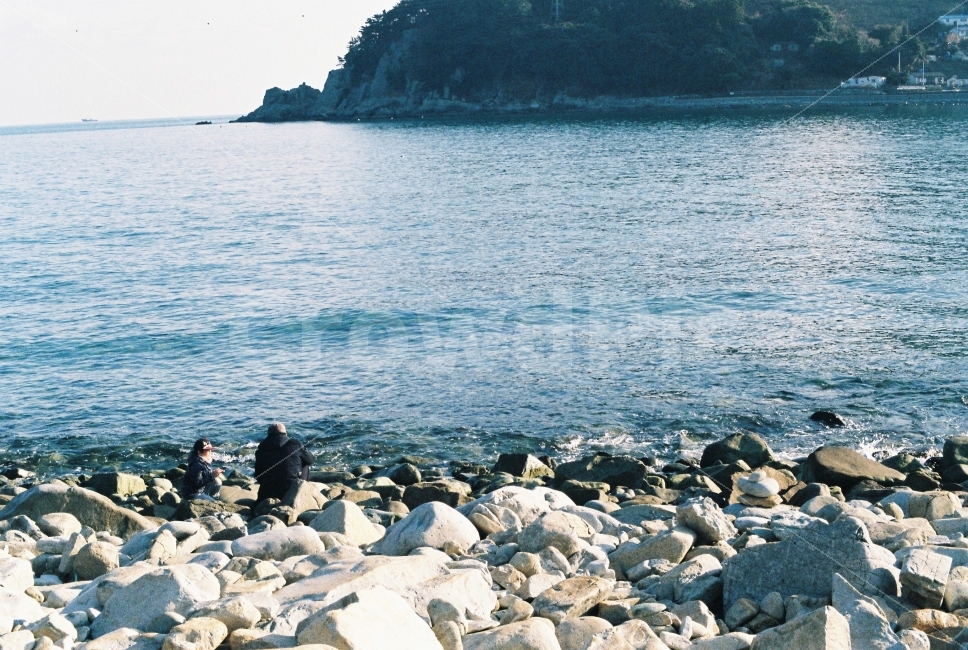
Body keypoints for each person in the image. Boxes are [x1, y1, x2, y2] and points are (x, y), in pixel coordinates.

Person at [254, 422, 314, 503]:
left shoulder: (260, 450)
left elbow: (258, 476)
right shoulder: (295, 444)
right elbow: (310, 460)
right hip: (290, 491)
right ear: (285, 433)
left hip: (266, 493)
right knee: (305, 462)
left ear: (268, 434)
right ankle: (302, 492)